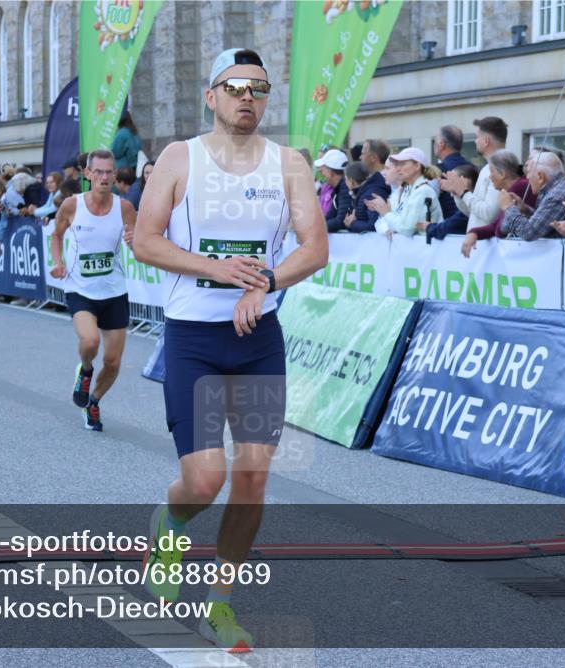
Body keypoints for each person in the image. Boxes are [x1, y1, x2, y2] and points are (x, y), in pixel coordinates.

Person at [132, 47, 327, 653]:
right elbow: (145, 241)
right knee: (204, 478)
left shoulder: (289, 163)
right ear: (211, 96)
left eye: (260, 88)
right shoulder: (178, 157)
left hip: (257, 340)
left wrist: (265, 281)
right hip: (193, 338)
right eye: (235, 86)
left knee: (252, 477)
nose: (248, 96)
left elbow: (313, 248)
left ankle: (220, 605)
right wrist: (218, 272)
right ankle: (169, 526)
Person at [49, 149, 136, 431]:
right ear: (87, 174)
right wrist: (58, 262)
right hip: (80, 288)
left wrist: (134, 241)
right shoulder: (72, 205)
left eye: (109, 172)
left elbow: (138, 243)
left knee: (112, 362)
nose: (104, 177)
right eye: (98, 171)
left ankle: (94, 402)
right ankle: (85, 370)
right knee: (89, 343)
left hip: (114, 291)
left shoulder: (124, 208)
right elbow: (57, 234)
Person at [442, 116, 507, 237]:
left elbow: (489, 215)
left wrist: (464, 193)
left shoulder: (500, 169)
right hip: (479, 246)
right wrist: (459, 194)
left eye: (477, 137)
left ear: (486, 140)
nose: (475, 141)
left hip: (488, 248)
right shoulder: (486, 169)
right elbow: (473, 212)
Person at [500, 151, 565, 241]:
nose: (527, 177)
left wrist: (509, 207)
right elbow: (543, 223)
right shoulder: (556, 188)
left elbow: (529, 233)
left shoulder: (557, 195)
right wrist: (526, 210)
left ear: (540, 177)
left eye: (528, 173)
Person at [460, 150, 528, 257]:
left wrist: (463, 193)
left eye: (492, 172)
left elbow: (500, 228)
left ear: (502, 174)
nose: (490, 177)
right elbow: (496, 225)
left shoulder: (518, 187)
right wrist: (474, 233)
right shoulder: (512, 189)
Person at [367, 147, 443, 237]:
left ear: (417, 166)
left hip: (429, 248)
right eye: (397, 165)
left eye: (402, 164)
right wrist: (384, 212)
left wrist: (386, 212)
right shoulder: (412, 189)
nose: (398, 169)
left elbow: (406, 228)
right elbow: (403, 224)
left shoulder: (422, 191)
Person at [350, 139, 391, 231]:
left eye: (363, 153)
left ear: (373, 158)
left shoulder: (381, 183)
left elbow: (373, 223)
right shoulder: (375, 181)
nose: (360, 157)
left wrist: (353, 223)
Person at [313, 149, 351, 233]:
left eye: (323, 169)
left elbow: (340, 221)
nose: (321, 172)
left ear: (331, 172)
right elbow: (331, 216)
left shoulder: (344, 189)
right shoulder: (338, 188)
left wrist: (315, 230)